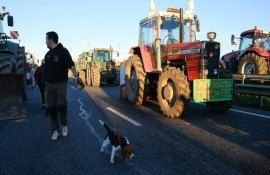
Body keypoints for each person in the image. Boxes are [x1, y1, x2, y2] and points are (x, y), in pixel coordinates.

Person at [44, 31, 78, 140]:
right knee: (52, 108)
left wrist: (76, 75)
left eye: (46, 39)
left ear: (51, 40)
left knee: (61, 107)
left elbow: (71, 65)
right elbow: (46, 71)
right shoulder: (47, 55)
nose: (45, 42)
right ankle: (55, 130)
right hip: (49, 85)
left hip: (61, 84)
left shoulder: (63, 51)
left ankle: (64, 126)